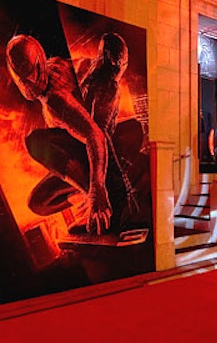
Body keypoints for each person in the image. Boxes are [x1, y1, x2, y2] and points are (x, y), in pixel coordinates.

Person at [6, 33, 145, 236]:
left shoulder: (58, 100)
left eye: (33, 73)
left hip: (100, 153)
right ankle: (89, 194)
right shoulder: (62, 66)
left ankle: (100, 200)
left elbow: (96, 135)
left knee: (36, 142)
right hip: (88, 155)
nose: (31, 84)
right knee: (38, 202)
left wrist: (97, 189)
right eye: (25, 79)